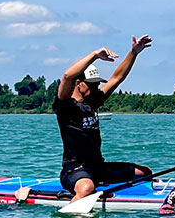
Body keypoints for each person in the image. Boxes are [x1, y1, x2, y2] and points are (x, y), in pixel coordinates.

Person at [55, 36, 153, 202]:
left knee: (145, 173)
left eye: (97, 84)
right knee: (87, 188)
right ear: (78, 83)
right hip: (75, 170)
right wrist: (95, 55)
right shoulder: (65, 105)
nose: (96, 88)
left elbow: (117, 78)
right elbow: (66, 76)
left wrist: (134, 53)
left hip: (98, 168)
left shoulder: (94, 101)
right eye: (91, 84)